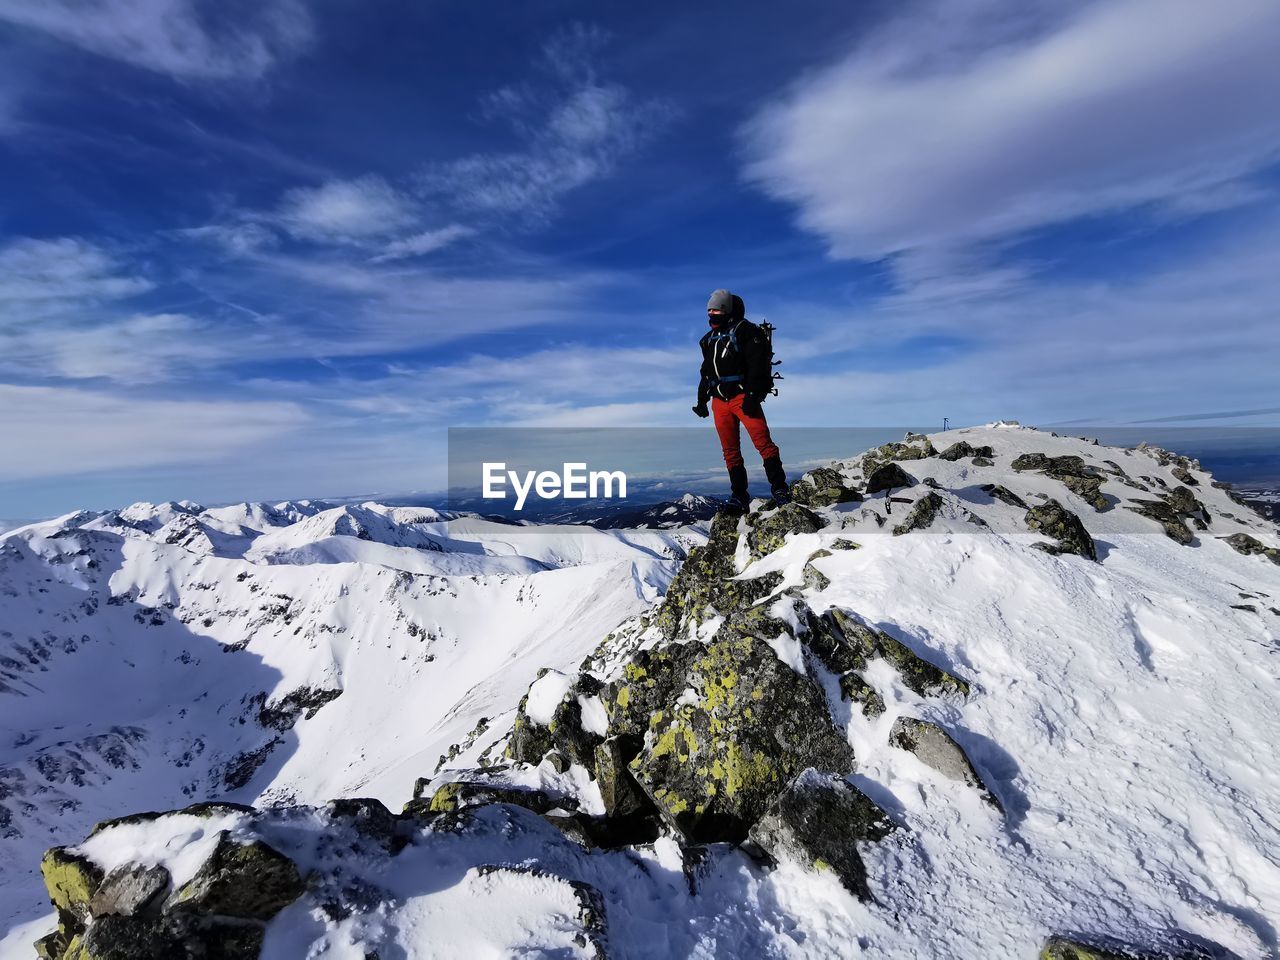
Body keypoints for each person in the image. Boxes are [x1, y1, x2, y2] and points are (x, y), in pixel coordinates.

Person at [692, 288, 789, 512]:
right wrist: (701, 400)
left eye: (716, 310)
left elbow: (756, 365)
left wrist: (753, 395)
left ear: (727, 310)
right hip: (719, 400)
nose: (712, 314)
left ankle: (780, 488)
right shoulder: (708, 341)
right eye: (709, 310)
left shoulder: (746, 331)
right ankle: (739, 497)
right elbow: (706, 372)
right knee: (730, 450)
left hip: (742, 396)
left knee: (763, 442)